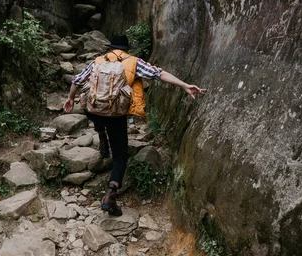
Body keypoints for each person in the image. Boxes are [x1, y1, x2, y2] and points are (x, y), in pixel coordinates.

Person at [63, 34, 206, 216]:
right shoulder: (133, 62)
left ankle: (101, 136)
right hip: (116, 114)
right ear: (126, 49)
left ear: (111, 48)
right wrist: (185, 85)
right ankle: (110, 194)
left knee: (93, 111)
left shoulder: (98, 61)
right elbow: (159, 73)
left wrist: (70, 98)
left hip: (95, 111)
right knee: (120, 156)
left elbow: (77, 80)